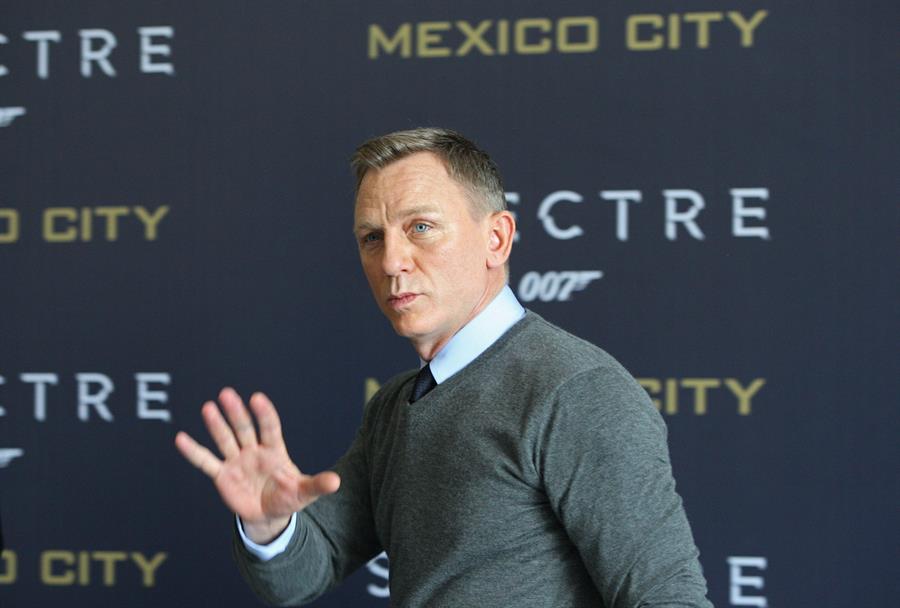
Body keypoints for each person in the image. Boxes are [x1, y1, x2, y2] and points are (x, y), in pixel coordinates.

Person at [175, 128, 712, 607]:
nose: (391, 261)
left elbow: (667, 598)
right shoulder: (394, 406)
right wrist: (269, 526)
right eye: (372, 238)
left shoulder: (575, 390)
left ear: (496, 239)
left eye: (421, 227)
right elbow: (303, 572)